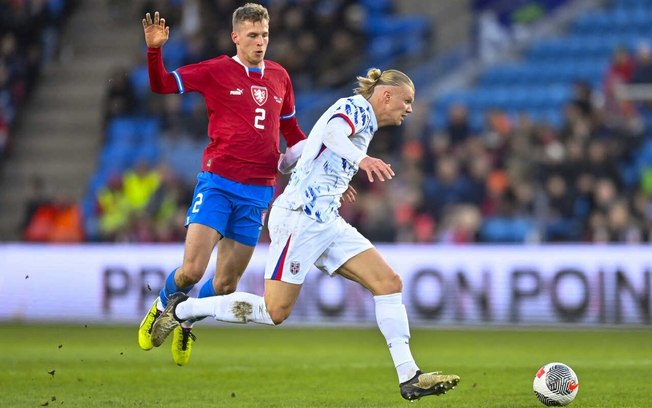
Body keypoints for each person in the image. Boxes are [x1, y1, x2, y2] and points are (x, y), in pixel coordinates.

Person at [150, 68, 461, 400]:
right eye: (407, 100)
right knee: (275, 312)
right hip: (300, 219)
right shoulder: (357, 108)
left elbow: (303, 151)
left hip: (326, 218)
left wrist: (328, 177)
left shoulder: (362, 119)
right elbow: (331, 134)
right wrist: (361, 159)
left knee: (388, 283)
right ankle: (184, 311)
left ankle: (409, 376)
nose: (410, 108)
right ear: (386, 95)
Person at [137, 4, 307, 366]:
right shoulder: (217, 70)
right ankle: (158, 307)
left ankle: (185, 320)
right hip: (218, 183)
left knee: (227, 284)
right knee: (193, 271)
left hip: (259, 190)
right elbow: (162, 84)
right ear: (236, 37)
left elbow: (292, 132)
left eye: (264, 35)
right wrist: (155, 51)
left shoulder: (280, 76)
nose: (260, 42)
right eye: (252, 36)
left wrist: (317, 166)